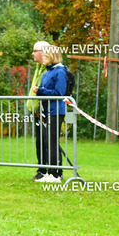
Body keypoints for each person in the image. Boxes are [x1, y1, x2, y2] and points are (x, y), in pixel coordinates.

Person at [32, 45, 67, 183]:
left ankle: (55, 174)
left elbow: (59, 93)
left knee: (52, 142)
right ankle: (48, 172)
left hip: (55, 111)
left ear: (52, 57)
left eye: (45, 56)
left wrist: (40, 91)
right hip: (45, 111)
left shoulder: (60, 72)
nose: (43, 58)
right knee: (46, 142)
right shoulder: (47, 72)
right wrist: (40, 90)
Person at [26, 40, 50, 180]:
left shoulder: (50, 69)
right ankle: (42, 170)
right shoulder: (39, 67)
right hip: (37, 111)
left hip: (46, 111)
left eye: (35, 51)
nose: (33, 54)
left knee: (48, 142)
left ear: (43, 52)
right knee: (40, 142)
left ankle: (52, 171)